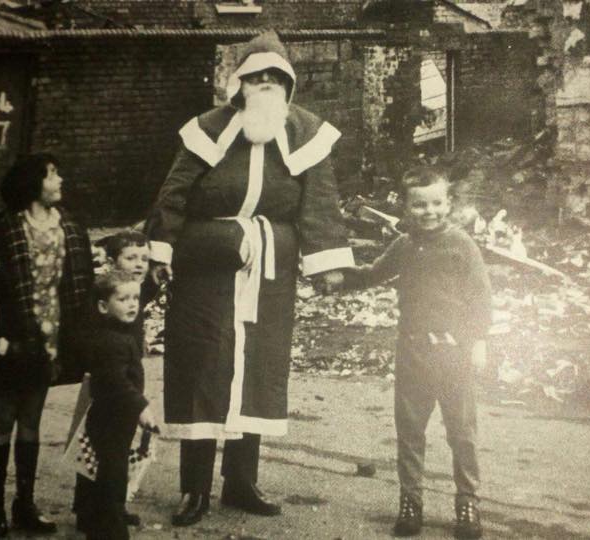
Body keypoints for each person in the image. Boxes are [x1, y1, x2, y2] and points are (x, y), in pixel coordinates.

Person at [145, 30, 352, 526]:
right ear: (238, 84)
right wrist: (160, 251)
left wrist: (328, 265)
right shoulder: (206, 130)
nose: (264, 86)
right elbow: (173, 194)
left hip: (270, 272)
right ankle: (193, 488)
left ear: (288, 86)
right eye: (255, 77)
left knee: (258, 369)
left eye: (273, 79)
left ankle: (241, 482)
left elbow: (321, 203)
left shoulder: (306, 134)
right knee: (203, 365)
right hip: (206, 268)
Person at [344, 166, 491, 539]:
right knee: (410, 432)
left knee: (462, 432)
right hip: (412, 351)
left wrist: (478, 342)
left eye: (436, 203)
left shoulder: (462, 245)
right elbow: (373, 273)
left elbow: (481, 298)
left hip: (454, 353)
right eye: (420, 205)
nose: (429, 211)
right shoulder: (405, 244)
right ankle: (411, 503)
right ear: (408, 207)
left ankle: (467, 503)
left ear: (448, 203)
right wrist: (335, 273)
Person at [0, 153, 95, 536]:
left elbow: (80, 281)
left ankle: (24, 505)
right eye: (53, 173)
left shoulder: (68, 224)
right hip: (15, 335)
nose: (60, 179)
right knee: (3, 422)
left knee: (31, 421)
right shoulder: (8, 226)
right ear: (35, 183)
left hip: (50, 337)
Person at [73, 230, 155, 531]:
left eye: (144, 258)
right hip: (108, 382)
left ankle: (105, 509)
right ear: (113, 260)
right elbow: (100, 350)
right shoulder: (106, 298)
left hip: (120, 377)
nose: (139, 264)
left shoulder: (131, 292)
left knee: (108, 453)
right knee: (103, 455)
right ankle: (99, 513)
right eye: (131, 257)